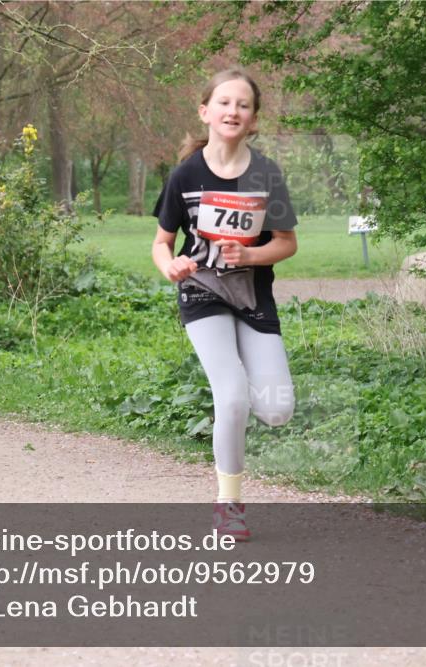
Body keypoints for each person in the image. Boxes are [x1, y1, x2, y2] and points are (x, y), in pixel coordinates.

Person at [152, 69, 297, 540]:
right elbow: (161, 244)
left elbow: (287, 243)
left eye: (243, 105)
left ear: (253, 119)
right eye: (224, 103)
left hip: (252, 295)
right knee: (231, 395)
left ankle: (245, 401)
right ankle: (228, 505)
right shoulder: (186, 175)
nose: (233, 111)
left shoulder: (266, 174)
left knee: (276, 410)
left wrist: (251, 254)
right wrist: (170, 266)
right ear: (206, 112)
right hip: (203, 291)